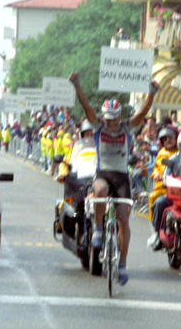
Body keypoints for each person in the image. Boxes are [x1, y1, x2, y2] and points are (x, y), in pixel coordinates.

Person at [68, 70, 159, 286]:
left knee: (123, 222)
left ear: (120, 117)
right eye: (108, 119)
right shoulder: (98, 125)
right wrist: (77, 85)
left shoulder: (127, 127)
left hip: (122, 177)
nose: (111, 123)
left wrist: (152, 93)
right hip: (103, 173)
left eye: (114, 119)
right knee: (99, 191)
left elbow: (144, 111)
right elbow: (86, 106)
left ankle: (122, 265)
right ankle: (98, 229)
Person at [148, 129, 181, 251]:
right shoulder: (173, 158)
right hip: (178, 195)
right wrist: (166, 181)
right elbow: (166, 173)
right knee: (159, 203)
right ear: (180, 145)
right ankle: (156, 234)